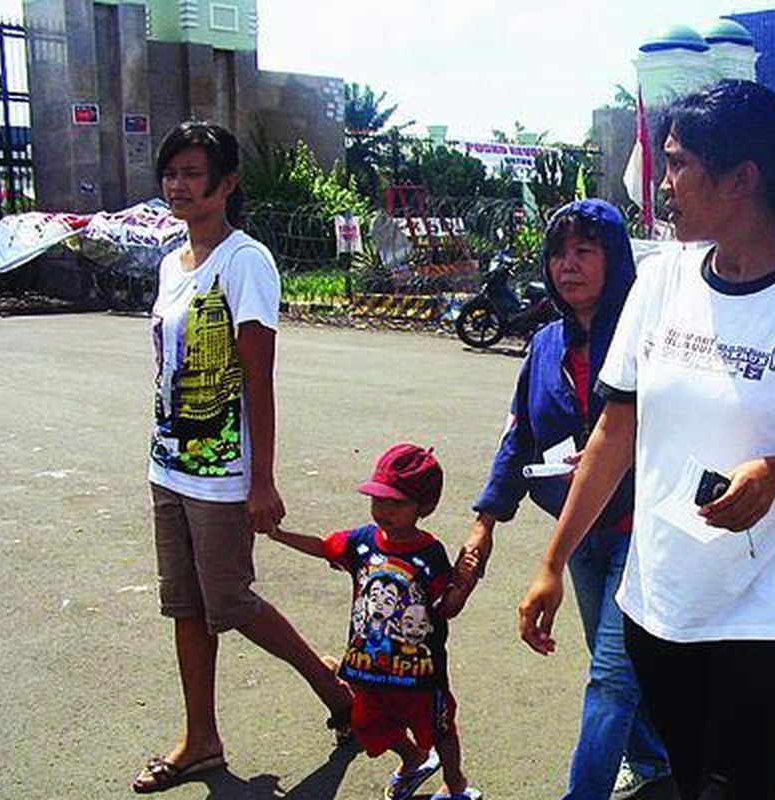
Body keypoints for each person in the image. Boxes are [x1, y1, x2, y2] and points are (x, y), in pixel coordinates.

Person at [516, 80, 775, 800]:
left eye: (679, 163)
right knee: (688, 782)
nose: (665, 183)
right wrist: (552, 563)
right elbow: (614, 432)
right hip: (660, 601)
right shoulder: (661, 283)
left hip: (768, 611)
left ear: (742, 178)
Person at [133, 120, 352, 794]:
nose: (178, 185)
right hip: (169, 464)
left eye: (192, 174)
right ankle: (200, 738)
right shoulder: (173, 263)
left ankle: (334, 690)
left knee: (227, 599)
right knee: (185, 604)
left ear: (226, 183)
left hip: (223, 473)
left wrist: (262, 480)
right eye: (171, 173)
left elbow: (259, 378)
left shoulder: (245, 261)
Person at [463, 199, 671, 800]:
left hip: (640, 530)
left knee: (609, 677)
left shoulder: (647, 336)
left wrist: (615, 456)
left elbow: (675, 428)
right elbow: (520, 437)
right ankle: (652, 758)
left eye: (585, 250)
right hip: (578, 534)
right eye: (558, 253)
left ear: (616, 259)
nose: (568, 265)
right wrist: (485, 522)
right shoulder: (545, 344)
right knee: (614, 661)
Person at [266, 444, 481, 800]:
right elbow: (324, 546)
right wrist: (279, 534)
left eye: (396, 503)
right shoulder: (362, 542)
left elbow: (447, 607)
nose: (384, 510)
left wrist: (465, 580)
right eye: (378, 500)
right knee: (365, 723)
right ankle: (413, 758)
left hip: (420, 673)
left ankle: (455, 784)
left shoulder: (430, 553)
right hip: (367, 668)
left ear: (424, 507)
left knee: (440, 729)